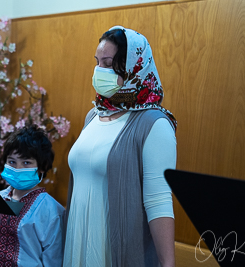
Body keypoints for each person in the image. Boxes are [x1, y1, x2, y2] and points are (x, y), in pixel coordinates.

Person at [63, 26, 177, 267]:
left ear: (134, 66)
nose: (98, 71)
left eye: (107, 63)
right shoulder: (94, 115)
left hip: (113, 250)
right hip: (78, 242)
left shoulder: (154, 124)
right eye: (97, 62)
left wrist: (168, 263)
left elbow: (159, 201)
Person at [0, 125, 65, 267]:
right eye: (12, 162)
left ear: (41, 166)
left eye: (26, 163)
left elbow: (53, 260)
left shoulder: (52, 211)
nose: (18, 168)